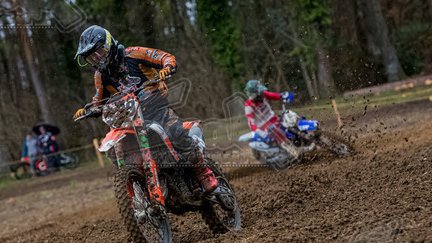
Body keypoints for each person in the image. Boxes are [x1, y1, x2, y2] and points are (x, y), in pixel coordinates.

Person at [73, 25, 217, 193]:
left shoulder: (134, 54)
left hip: (157, 109)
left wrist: (166, 69)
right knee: (116, 150)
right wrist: (89, 110)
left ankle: (202, 171)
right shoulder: (100, 76)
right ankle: (139, 181)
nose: (98, 60)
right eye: (92, 58)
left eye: (99, 53)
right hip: (129, 119)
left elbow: (166, 57)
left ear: (109, 45)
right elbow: (98, 100)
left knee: (177, 133)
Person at [244, 80, 293, 145]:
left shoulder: (263, 94)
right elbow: (251, 124)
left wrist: (282, 95)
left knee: (289, 120)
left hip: (273, 119)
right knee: (277, 131)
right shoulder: (249, 105)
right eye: (259, 92)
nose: (262, 94)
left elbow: (274, 95)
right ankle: (290, 148)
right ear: (253, 94)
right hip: (263, 127)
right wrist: (262, 133)